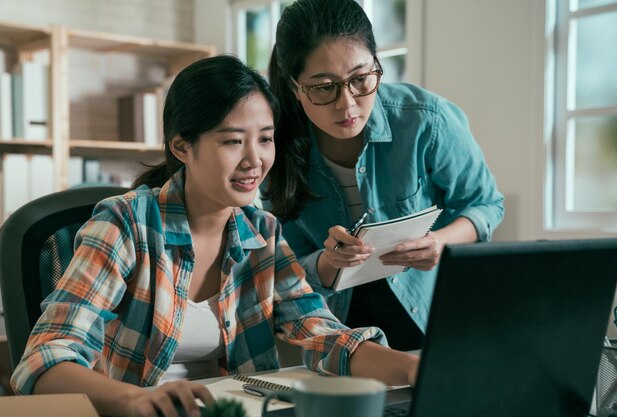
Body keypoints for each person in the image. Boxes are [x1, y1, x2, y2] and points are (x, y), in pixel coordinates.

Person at [10, 55, 418, 417]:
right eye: (232, 141)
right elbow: (44, 358)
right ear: (182, 146)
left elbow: (322, 333)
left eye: (264, 138)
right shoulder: (125, 223)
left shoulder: (262, 233)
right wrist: (133, 400)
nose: (254, 160)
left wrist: (415, 368)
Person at [264, 0, 505, 351]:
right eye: (323, 87)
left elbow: (485, 205)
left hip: (430, 308)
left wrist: (440, 242)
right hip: (338, 328)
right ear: (294, 86)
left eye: (360, 79)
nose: (347, 105)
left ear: (376, 64)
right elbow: (288, 269)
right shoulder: (276, 148)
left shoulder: (425, 120)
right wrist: (330, 261)